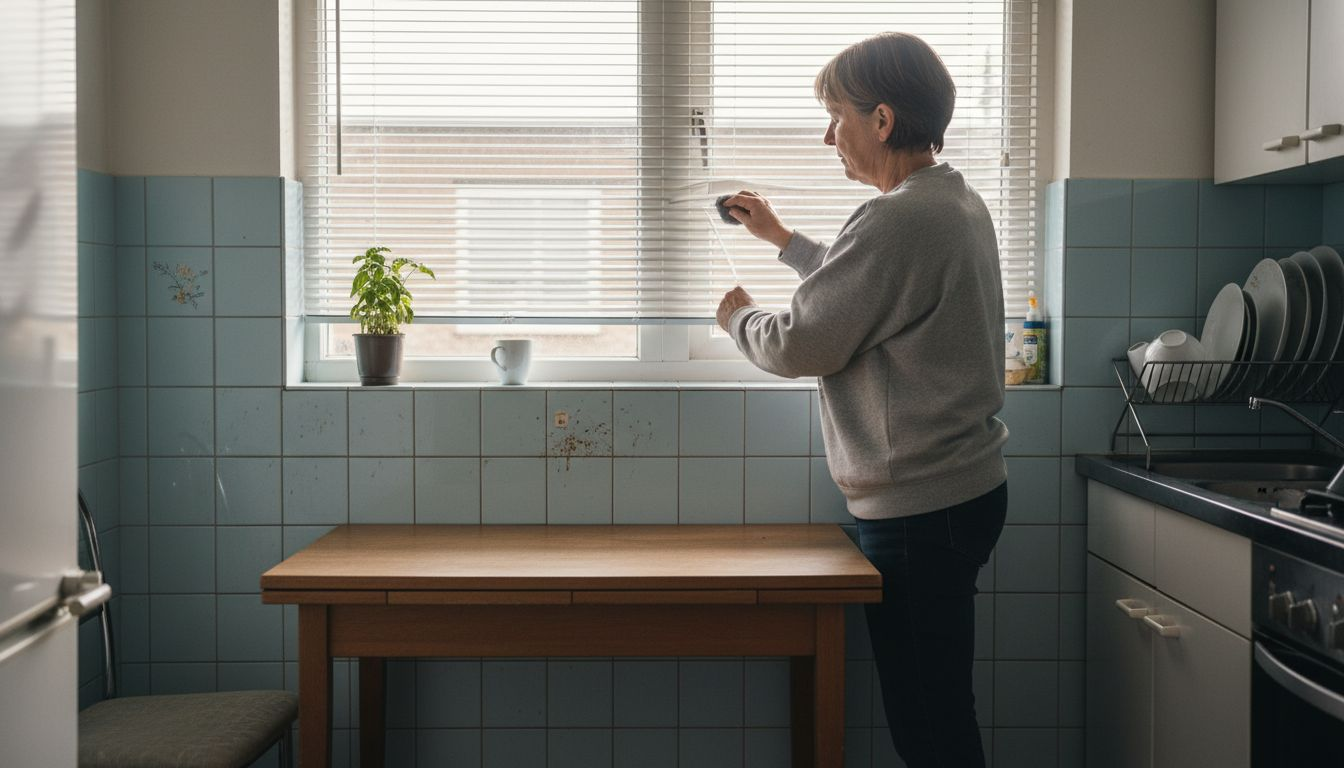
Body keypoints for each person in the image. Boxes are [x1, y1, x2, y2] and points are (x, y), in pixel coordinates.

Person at [715, 32, 1009, 768]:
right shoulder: (952, 203)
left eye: (835, 116)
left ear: (881, 120)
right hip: (959, 494)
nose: (827, 136)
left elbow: (800, 343)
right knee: (939, 705)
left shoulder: (896, 219)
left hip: (920, 510)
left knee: (929, 723)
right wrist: (784, 239)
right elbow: (876, 286)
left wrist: (736, 317)